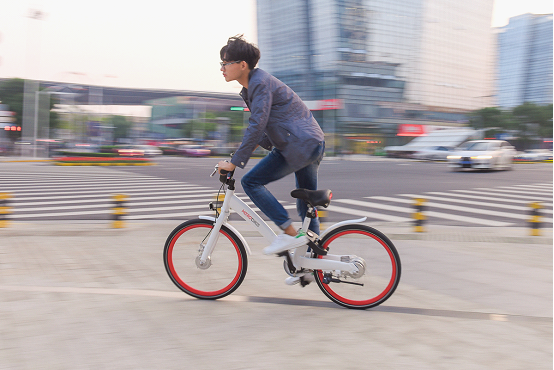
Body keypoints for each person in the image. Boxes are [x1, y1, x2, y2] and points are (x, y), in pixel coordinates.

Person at [217, 35, 325, 258]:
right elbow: (264, 129)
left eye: (226, 63)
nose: (222, 68)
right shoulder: (254, 86)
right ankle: (313, 261)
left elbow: (257, 125)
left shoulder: (259, 83)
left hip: (298, 144)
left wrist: (235, 162)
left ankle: (288, 234)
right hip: (309, 143)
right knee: (306, 206)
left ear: (242, 65)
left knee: (251, 182)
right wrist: (236, 157)